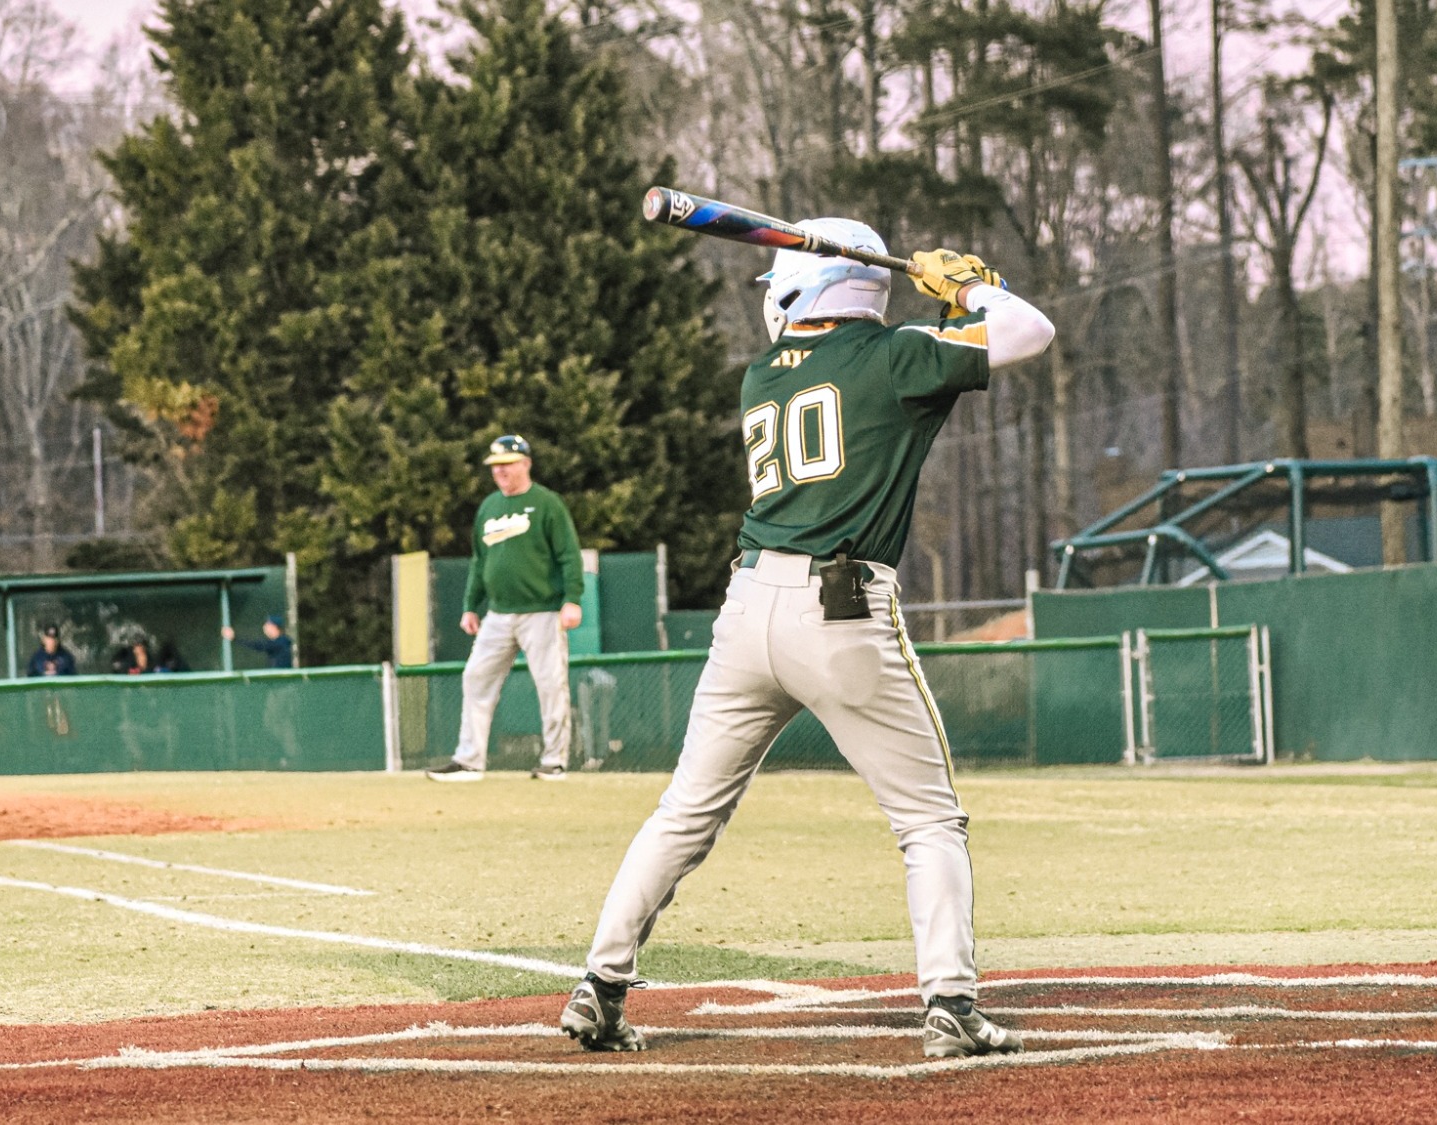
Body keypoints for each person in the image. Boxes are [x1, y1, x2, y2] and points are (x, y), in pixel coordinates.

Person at [558, 226, 1055, 1059]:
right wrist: (966, 288)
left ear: (807, 289)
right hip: (845, 609)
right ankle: (951, 1002)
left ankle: (599, 986)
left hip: (746, 608)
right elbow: (1031, 330)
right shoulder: (894, 354)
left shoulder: (764, 374)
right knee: (930, 820)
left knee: (685, 811)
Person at [424, 434, 583, 782]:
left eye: (507, 464)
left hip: (541, 611)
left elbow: (569, 555)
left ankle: (554, 761)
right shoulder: (489, 507)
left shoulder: (546, 503)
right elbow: (480, 562)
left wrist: (572, 598)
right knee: (476, 677)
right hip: (498, 613)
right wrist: (470, 606)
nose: (500, 472)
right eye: (495, 466)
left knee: (550, 684)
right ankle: (469, 761)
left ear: (525, 463)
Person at [221, 615, 293, 669]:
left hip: (282, 682)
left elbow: (257, 645)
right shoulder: (279, 641)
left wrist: (235, 638)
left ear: (274, 627)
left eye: (267, 624)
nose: (264, 627)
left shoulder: (281, 642)